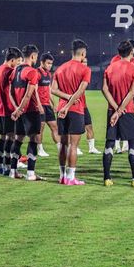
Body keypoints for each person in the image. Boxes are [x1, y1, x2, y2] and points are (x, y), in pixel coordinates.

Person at [102, 40, 134, 187]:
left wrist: (115, 110)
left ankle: (107, 178)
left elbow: (104, 89)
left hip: (112, 111)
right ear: (131, 52)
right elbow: (132, 92)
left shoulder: (109, 68)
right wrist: (121, 110)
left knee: (110, 143)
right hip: (128, 111)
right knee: (133, 143)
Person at [52, 39, 91, 185]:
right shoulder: (85, 69)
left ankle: (62, 176)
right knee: (73, 145)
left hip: (61, 109)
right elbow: (80, 91)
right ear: (83, 53)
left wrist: (66, 100)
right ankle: (70, 177)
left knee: (63, 144)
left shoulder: (60, 68)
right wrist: (69, 103)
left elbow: (53, 90)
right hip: (75, 110)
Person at [9, 44, 44, 181]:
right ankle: (31, 174)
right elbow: (29, 95)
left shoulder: (15, 70)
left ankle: (13, 172)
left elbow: (10, 92)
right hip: (30, 111)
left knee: (18, 140)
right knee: (34, 139)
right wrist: (20, 109)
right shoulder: (32, 72)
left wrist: (16, 109)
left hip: (19, 111)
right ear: (33, 56)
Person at [0, 47, 22, 176]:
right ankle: (7, 166)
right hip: (9, 110)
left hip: (0, 109)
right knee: (10, 138)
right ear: (12, 60)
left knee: (2, 138)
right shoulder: (10, 71)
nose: (18, 64)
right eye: (18, 61)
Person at [110, 39, 134, 154]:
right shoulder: (115, 60)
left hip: (129, 95)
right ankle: (117, 145)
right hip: (117, 95)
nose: (133, 54)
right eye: (133, 51)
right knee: (115, 123)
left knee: (126, 122)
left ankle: (125, 144)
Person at [36, 53, 59, 157]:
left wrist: (54, 104)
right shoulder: (36, 73)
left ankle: (60, 148)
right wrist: (38, 105)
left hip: (47, 105)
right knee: (41, 128)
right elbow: (34, 90)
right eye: (48, 63)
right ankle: (40, 149)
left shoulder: (49, 74)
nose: (50, 65)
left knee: (54, 126)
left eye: (51, 64)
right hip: (39, 106)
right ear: (42, 63)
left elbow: (49, 90)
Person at [80, 57, 101, 155]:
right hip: (75, 106)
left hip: (83, 106)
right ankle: (74, 148)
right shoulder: (76, 74)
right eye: (83, 62)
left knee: (89, 126)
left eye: (86, 62)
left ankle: (91, 148)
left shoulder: (85, 73)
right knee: (76, 130)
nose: (85, 64)